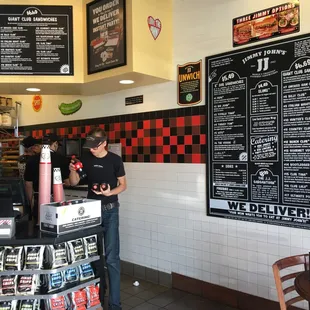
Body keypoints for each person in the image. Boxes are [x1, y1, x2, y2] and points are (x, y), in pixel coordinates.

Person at [69, 128, 127, 310]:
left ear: (104, 143)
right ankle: (97, 299)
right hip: (91, 212)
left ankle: (115, 304)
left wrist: (111, 192)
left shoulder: (115, 160)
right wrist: (72, 170)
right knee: (94, 256)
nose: (92, 149)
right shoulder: (86, 159)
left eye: (95, 146)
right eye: (90, 146)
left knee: (111, 258)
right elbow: (73, 182)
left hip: (110, 211)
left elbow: (123, 185)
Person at [24, 133, 70, 222]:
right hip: (57, 198)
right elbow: (68, 182)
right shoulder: (62, 159)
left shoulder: (31, 160)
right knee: (57, 223)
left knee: (39, 225)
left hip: (38, 198)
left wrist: (31, 202)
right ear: (55, 143)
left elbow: (28, 184)